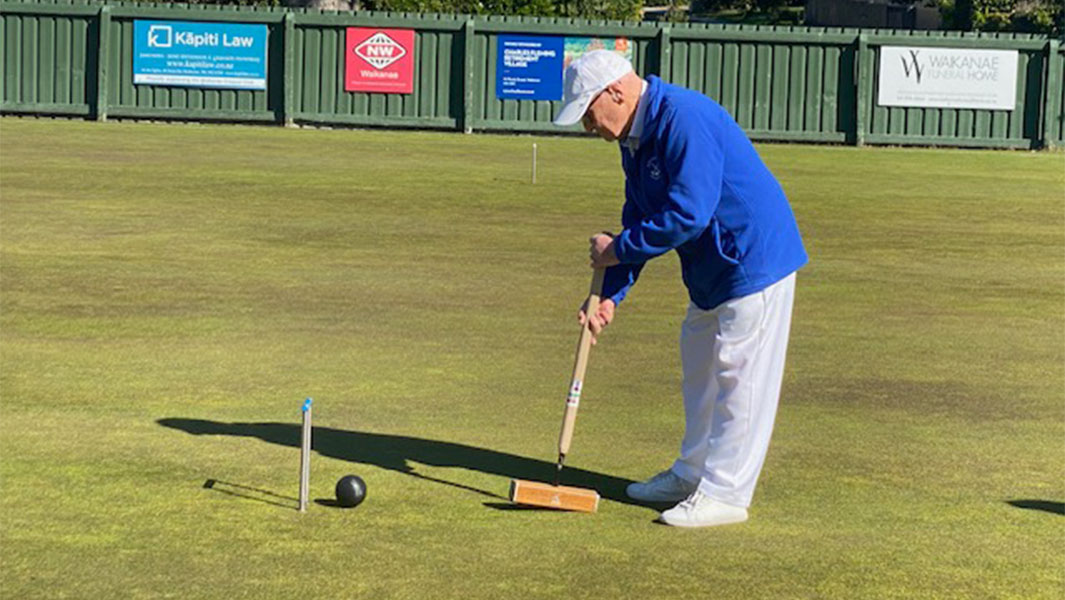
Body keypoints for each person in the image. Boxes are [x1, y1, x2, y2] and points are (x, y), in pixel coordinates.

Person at [553, 50, 808, 528]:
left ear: (617, 92)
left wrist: (618, 250)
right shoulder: (635, 139)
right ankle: (691, 473)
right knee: (699, 367)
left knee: (740, 375)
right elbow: (641, 221)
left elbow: (689, 213)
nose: (589, 127)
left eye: (589, 113)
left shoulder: (683, 118)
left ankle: (727, 493)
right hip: (711, 271)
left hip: (753, 259)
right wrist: (611, 295)